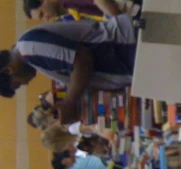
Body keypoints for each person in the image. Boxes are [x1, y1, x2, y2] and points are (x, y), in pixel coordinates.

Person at [0, 15, 137, 121]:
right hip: (129, 64)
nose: (25, 83)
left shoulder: (30, 47)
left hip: (130, 48)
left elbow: (82, 59)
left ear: (8, 70)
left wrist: (70, 102)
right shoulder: (31, 58)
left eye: (17, 84)